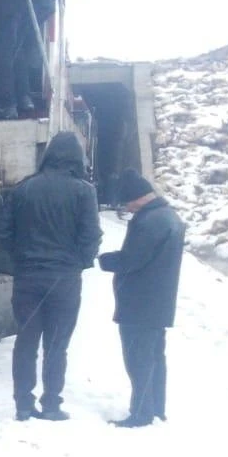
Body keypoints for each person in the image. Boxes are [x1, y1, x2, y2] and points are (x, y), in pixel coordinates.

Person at [0, 131, 101, 421]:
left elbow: (3, 233)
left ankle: (23, 404)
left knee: (26, 340)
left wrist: (21, 259)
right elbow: (91, 235)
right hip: (65, 280)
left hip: (28, 278)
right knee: (57, 344)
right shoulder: (84, 191)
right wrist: (79, 262)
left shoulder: (23, 189)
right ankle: (52, 403)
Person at [97, 170, 186, 427]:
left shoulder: (149, 221)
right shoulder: (168, 216)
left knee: (138, 359)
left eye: (127, 202)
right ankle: (156, 407)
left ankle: (141, 413)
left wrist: (105, 260)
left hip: (140, 302)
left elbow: (132, 259)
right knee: (156, 357)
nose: (126, 207)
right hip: (158, 301)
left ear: (138, 198)